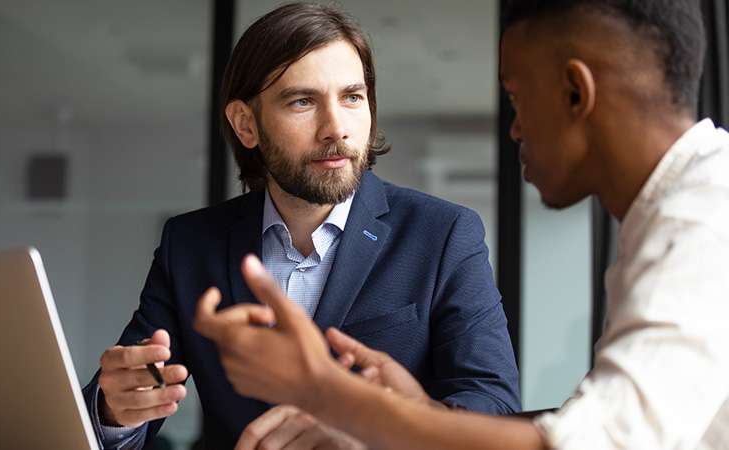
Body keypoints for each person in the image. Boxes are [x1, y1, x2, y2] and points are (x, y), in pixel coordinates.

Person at [195, 0, 729, 449]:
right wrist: (422, 408)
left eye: (517, 98)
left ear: (574, 92)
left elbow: (593, 442)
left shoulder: (700, 219)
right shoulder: (672, 212)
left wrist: (334, 396)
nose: (514, 129)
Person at [83, 3, 521, 449]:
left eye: (352, 97)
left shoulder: (443, 234)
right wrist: (115, 409)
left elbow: (494, 406)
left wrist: (377, 427)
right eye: (303, 101)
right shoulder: (191, 245)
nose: (336, 128)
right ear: (246, 124)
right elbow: (144, 382)